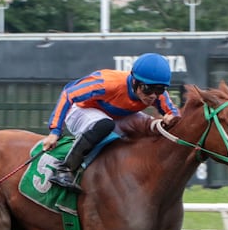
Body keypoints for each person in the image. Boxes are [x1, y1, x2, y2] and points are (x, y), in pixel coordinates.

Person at [40, 52, 179, 191]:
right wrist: (55, 132)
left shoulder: (158, 95)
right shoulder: (107, 83)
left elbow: (174, 114)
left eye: (159, 89)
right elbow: (68, 94)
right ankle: (65, 170)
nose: (153, 96)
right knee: (105, 124)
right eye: (147, 89)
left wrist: (171, 116)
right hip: (81, 110)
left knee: (152, 126)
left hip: (115, 115)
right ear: (134, 81)